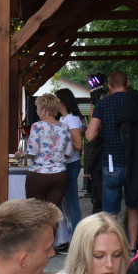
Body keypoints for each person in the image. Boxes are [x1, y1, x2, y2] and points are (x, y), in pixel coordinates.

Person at [87, 71, 138, 252]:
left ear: (109, 87)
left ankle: (111, 248)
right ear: (128, 82)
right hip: (135, 163)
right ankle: (131, 245)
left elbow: (90, 136)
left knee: (110, 211)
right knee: (133, 205)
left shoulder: (103, 104)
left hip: (111, 162)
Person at [19, 93, 72, 206]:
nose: (37, 112)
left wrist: (21, 154)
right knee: (52, 214)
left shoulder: (37, 126)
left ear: (44, 110)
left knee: (34, 213)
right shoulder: (65, 127)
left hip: (39, 175)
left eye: (38, 109)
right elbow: (68, 153)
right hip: (60, 175)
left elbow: (32, 152)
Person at [55, 88, 85, 231]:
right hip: (65, 164)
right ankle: (70, 234)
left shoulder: (71, 119)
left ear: (62, 100)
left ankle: (78, 237)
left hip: (71, 164)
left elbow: (78, 144)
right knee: (66, 203)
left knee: (72, 203)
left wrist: (59, 143)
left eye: (56, 98)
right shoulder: (62, 118)